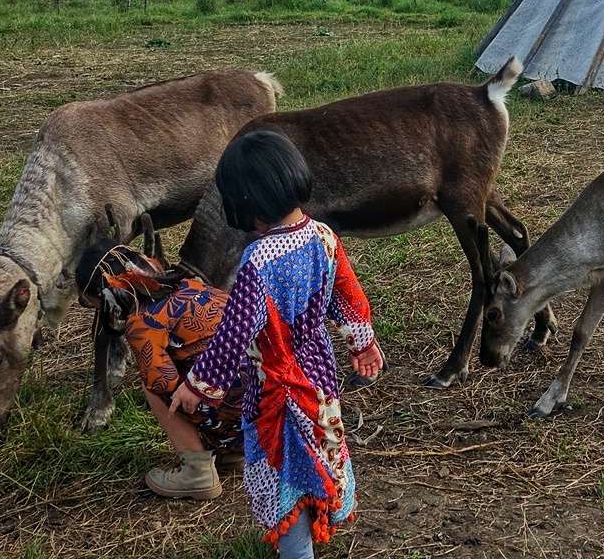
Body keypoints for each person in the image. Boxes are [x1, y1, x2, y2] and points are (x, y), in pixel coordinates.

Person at [170, 130, 384, 559]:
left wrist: (196, 386)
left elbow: (234, 334)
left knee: (280, 468)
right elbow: (348, 296)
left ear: (245, 203)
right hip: (319, 371)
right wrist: (363, 342)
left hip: (275, 387)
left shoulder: (258, 260)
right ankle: (310, 528)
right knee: (315, 452)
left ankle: (297, 550)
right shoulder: (323, 235)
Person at [74, 239, 245, 492]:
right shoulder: (190, 285)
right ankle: (232, 452)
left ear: (107, 296)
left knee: (152, 385)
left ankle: (196, 472)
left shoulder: (142, 323)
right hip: (266, 405)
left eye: (94, 304)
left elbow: (163, 384)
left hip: (237, 407)